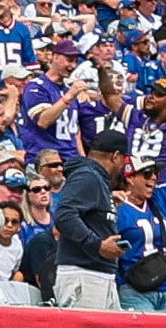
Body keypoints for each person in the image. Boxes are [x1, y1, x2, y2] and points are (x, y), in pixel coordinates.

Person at [49, 126, 126, 310]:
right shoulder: (87, 176)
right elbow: (65, 214)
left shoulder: (96, 178)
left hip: (98, 275)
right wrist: (97, 245)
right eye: (124, 159)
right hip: (83, 275)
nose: (124, 165)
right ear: (115, 156)